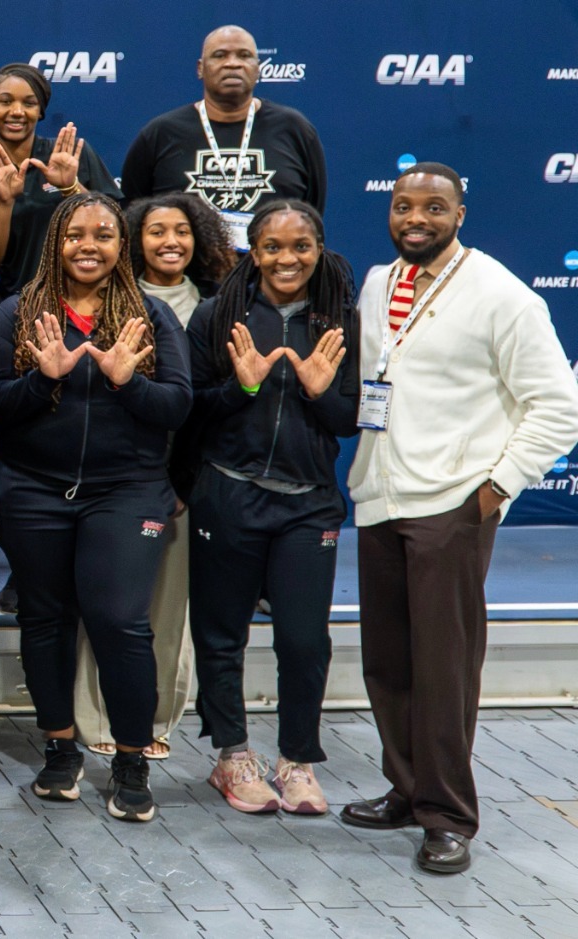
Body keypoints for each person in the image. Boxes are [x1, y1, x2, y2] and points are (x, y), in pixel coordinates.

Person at [340, 163, 578, 874]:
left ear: (461, 214)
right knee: (388, 660)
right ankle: (406, 789)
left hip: (452, 504)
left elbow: (558, 405)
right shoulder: (381, 281)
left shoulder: (503, 295)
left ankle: (448, 816)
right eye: (404, 205)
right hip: (381, 495)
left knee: (444, 668)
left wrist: (495, 486)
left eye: (434, 207)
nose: (416, 217)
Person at [0, 193, 190, 823]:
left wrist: (129, 381)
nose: (90, 244)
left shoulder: (150, 317)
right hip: (32, 490)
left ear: (121, 245)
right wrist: (43, 378)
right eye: (76, 234)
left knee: (120, 621)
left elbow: (176, 407)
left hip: (126, 492)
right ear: (56, 242)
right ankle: (61, 749)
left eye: (104, 233)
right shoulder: (18, 312)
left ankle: (130, 759)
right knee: (44, 618)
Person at [180, 200, 357, 815]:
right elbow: (192, 409)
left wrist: (320, 391)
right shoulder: (217, 314)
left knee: (305, 641)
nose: (288, 258)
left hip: (309, 505)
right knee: (221, 633)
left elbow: (354, 416)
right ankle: (231, 756)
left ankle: (298, 761)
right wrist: (244, 386)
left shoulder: (342, 321)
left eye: (301, 246)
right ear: (252, 252)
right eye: (273, 247)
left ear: (319, 250)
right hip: (228, 495)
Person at [71, 192, 236, 760]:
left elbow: (209, 406)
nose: (171, 241)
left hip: (185, 481)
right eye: (157, 230)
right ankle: (95, 719)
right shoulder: (112, 303)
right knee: (107, 606)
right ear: (132, 240)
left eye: (183, 231)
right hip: (118, 480)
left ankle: (156, 718)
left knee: (167, 608)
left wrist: (182, 482)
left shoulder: (218, 307)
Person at [120, 25, 327, 250]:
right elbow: (134, 214)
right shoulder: (160, 133)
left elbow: (311, 214)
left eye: (244, 55)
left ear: (258, 68)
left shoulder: (294, 129)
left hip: (272, 276)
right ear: (200, 68)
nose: (232, 63)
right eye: (219, 56)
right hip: (188, 279)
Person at [0, 63, 122, 303]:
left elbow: (115, 227)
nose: (17, 111)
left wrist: (70, 187)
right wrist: (4, 202)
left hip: (89, 302)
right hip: (20, 305)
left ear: (40, 111)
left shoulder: (71, 157)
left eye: (29, 103)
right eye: (6, 101)